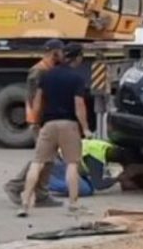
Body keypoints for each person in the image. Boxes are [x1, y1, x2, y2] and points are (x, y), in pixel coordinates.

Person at [19, 43, 93, 217]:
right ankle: (74, 205)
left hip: (48, 125)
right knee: (72, 165)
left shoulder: (47, 76)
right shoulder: (77, 79)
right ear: (78, 58)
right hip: (68, 125)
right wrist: (86, 128)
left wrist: (36, 121)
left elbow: (37, 100)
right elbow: (79, 105)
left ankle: (24, 204)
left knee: (37, 164)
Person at [3, 39, 65, 207]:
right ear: (54, 52)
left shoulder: (50, 69)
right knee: (43, 158)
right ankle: (15, 186)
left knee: (49, 159)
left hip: (47, 119)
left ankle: (41, 194)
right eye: (61, 51)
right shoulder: (39, 71)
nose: (63, 54)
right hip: (40, 121)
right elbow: (33, 99)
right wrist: (39, 121)